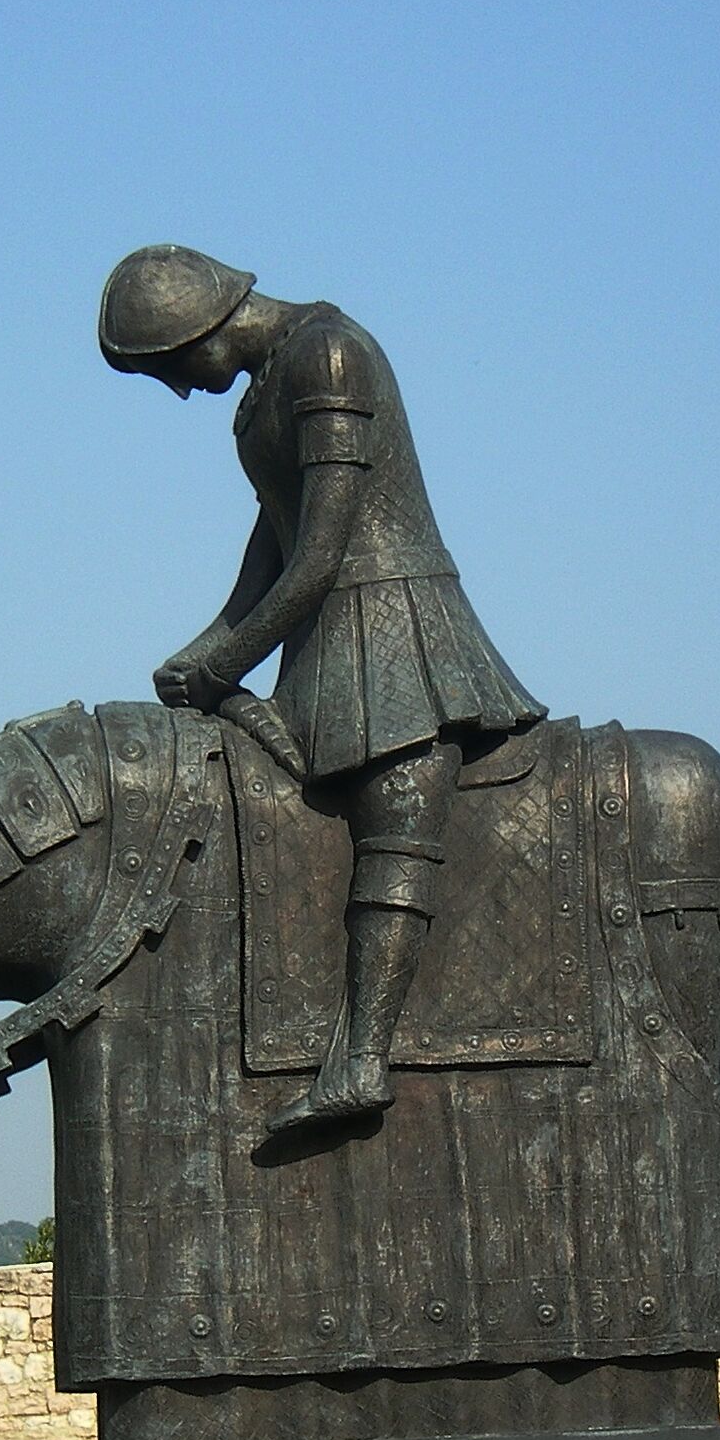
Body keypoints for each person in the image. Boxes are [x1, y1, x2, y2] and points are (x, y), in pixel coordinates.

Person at [100, 246, 545, 1144]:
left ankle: (361, 1060)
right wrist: (209, 646)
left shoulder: (329, 355)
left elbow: (323, 549)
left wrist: (229, 660)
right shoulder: (264, 389)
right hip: (322, 637)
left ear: (201, 324)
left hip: (395, 629)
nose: (180, 390)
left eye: (171, 368)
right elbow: (276, 532)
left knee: (395, 821)